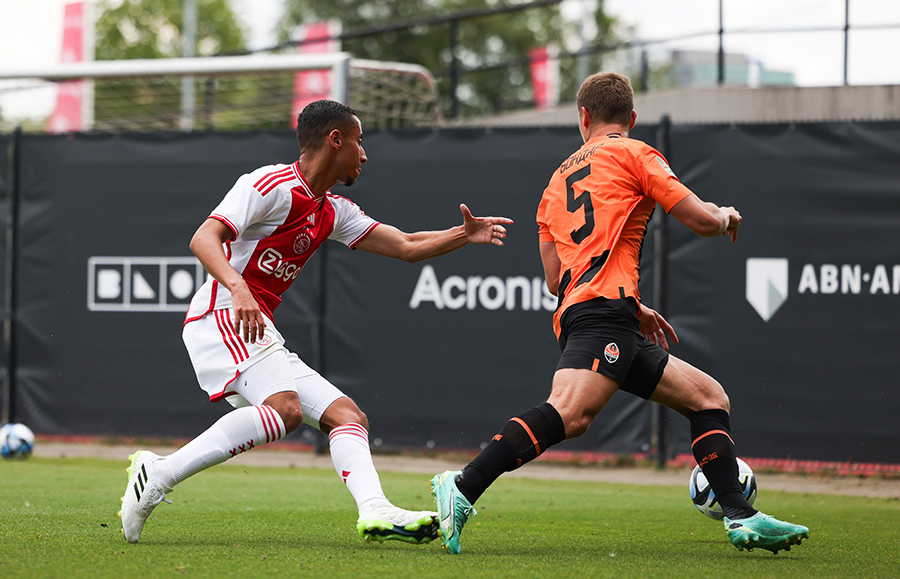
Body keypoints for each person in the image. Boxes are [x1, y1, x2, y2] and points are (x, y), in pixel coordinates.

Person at [430, 72, 809, 555]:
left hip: (598, 311)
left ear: (583, 116)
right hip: (603, 313)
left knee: (708, 398)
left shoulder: (555, 183)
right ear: (631, 117)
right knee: (571, 413)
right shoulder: (636, 153)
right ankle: (463, 485)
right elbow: (701, 219)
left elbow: (555, 280)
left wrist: (632, 303)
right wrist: (726, 215)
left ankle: (740, 514)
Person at [118, 99, 513, 545]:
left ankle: (376, 508)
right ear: (335, 139)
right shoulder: (268, 185)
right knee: (285, 410)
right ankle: (159, 474)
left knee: (348, 416)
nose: (365, 154)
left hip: (256, 324)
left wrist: (463, 234)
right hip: (222, 312)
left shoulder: (334, 210)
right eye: (359, 141)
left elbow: (405, 245)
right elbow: (203, 237)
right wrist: (239, 287)